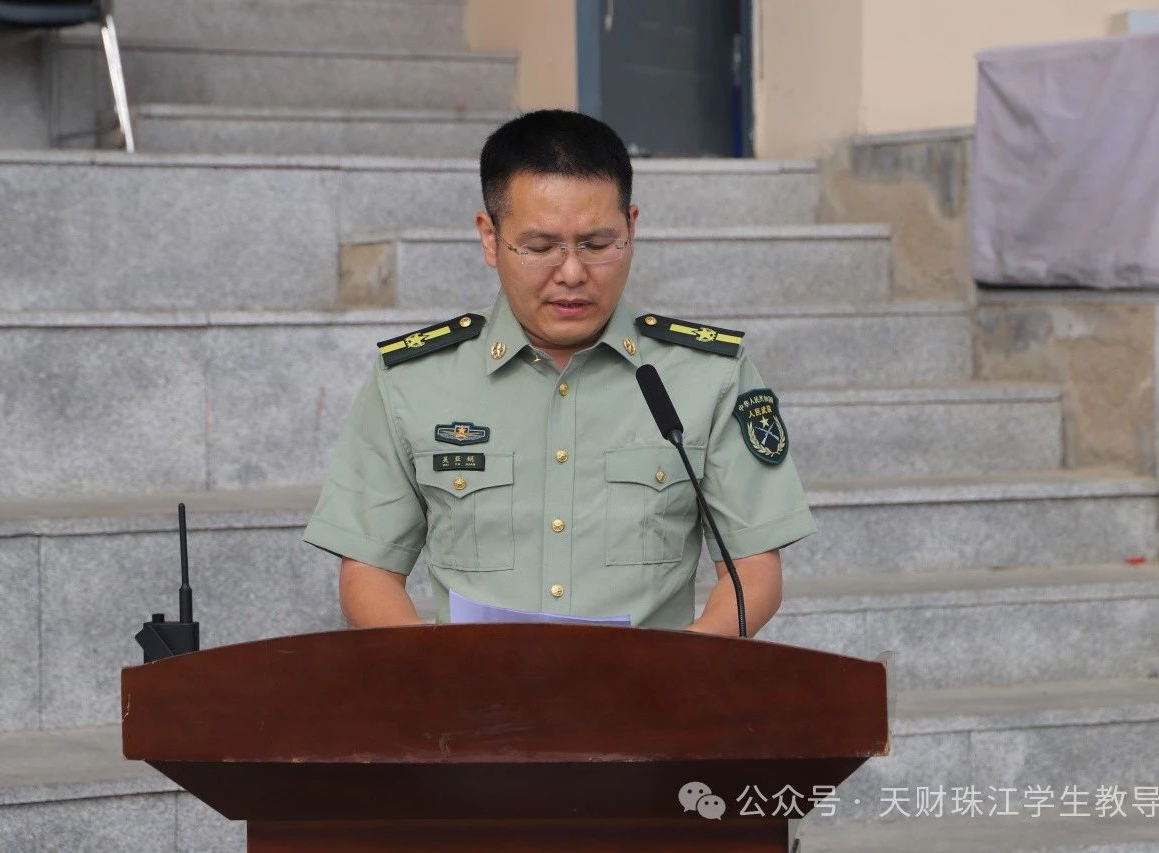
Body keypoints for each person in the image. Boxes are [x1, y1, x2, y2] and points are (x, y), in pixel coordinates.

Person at [302, 110, 814, 637]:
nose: (571, 273)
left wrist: (679, 669)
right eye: (540, 248)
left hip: (652, 686)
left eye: (597, 245)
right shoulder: (414, 381)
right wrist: (436, 671)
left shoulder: (708, 376)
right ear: (489, 237)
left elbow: (754, 569)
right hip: (472, 687)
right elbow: (368, 571)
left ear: (632, 228)